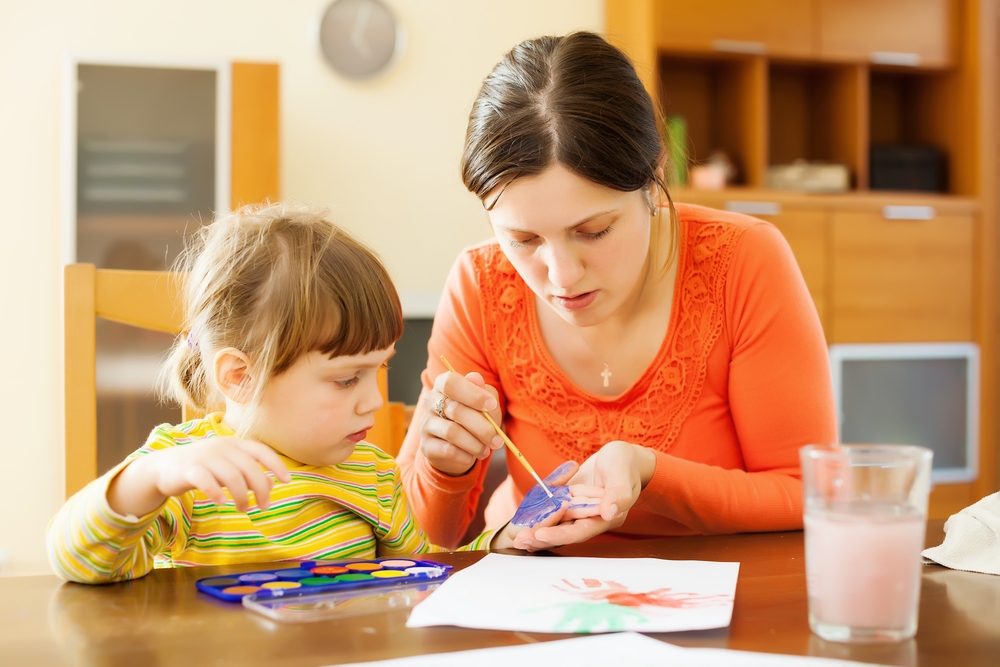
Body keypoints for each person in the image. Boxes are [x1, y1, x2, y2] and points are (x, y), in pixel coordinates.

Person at [396, 32, 838, 549]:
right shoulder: (480, 285)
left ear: (653, 182)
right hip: (545, 611)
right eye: (522, 239)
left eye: (594, 231)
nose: (561, 275)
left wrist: (651, 473)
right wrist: (443, 467)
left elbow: (810, 492)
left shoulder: (743, 261)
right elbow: (416, 543)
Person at [47, 202, 596, 584]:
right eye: (345, 379)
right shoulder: (186, 476)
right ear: (239, 376)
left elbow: (428, 579)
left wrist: (503, 542)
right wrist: (149, 479)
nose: (373, 402)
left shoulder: (376, 479)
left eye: (377, 371)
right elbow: (75, 559)